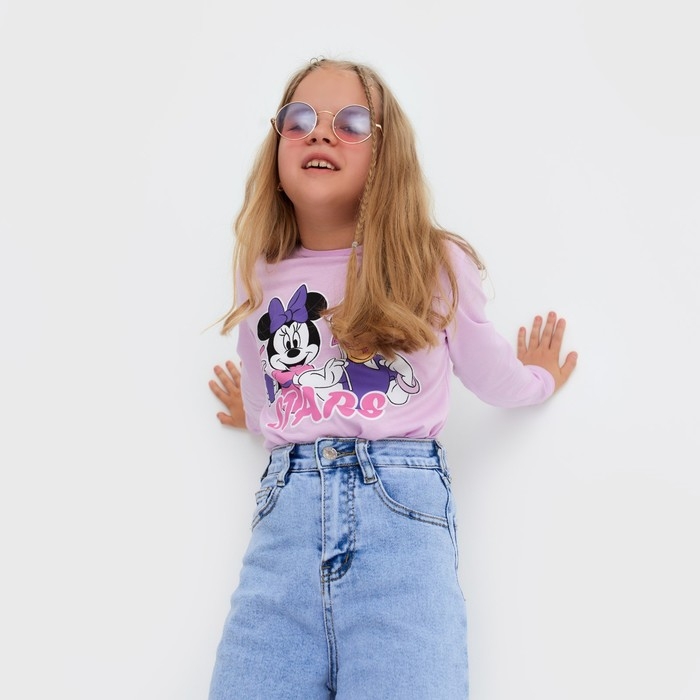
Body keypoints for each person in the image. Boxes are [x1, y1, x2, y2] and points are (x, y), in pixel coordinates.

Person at [207, 57, 577, 700]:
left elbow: (487, 372)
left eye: (351, 123)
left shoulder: (430, 262)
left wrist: (536, 380)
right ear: (277, 144)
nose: (321, 133)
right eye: (300, 119)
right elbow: (269, 374)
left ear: (385, 154)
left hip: (400, 527)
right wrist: (261, 416)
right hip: (283, 537)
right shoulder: (259, 271)